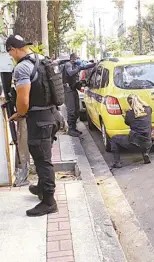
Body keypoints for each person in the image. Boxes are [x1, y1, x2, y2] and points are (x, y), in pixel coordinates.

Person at [6, 34, 60, 216]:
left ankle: (49, 202)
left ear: (14, 49)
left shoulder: (22, 67)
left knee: (42, 160)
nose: (11, 57)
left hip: (39, 119)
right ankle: (42, 188)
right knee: (44, 156)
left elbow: (23, 100)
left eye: (10, 53)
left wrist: (20, 114)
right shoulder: (42, 60)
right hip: (53, 115)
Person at [110, 94, 153, 168]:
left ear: (129, 103)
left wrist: (126, 115)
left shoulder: (129, 114)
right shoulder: (148, 109)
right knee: (144, 133)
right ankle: (145, 153)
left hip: (134, 143)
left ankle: (117, 162)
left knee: (114, 138)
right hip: (148, 142)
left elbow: (127, 122)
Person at [62, 53, 95, 137]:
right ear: (73, 58)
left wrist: (95, 64)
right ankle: (71, 129)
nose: (78, 60)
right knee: (72, 110)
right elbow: (70, 73)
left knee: (77, 110)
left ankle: (74, 128)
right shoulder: (68, 64)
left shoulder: (75, 64)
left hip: (73, 89)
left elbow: (85, 66)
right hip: (68, 90)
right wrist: (79, 67)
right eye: (77, 58)